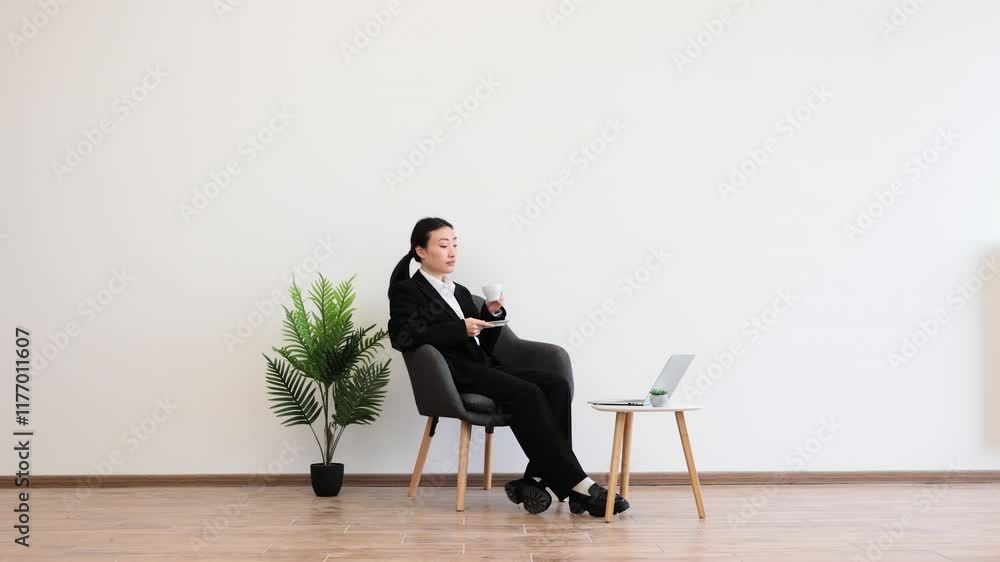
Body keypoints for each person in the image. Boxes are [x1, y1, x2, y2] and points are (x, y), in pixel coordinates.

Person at [386, 217, 629, 516]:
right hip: (452, 375)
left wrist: (492, 315)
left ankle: (538, 479)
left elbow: (485, 343)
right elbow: (402, 336)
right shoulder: (408, 291)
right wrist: (459, 329)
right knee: (527, 393)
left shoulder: (460, 291)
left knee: (556, 384)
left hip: (483, 367)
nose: (452, 252)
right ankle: (579, 485)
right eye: (444, 245)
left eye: (455, 244)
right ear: (421, 251)